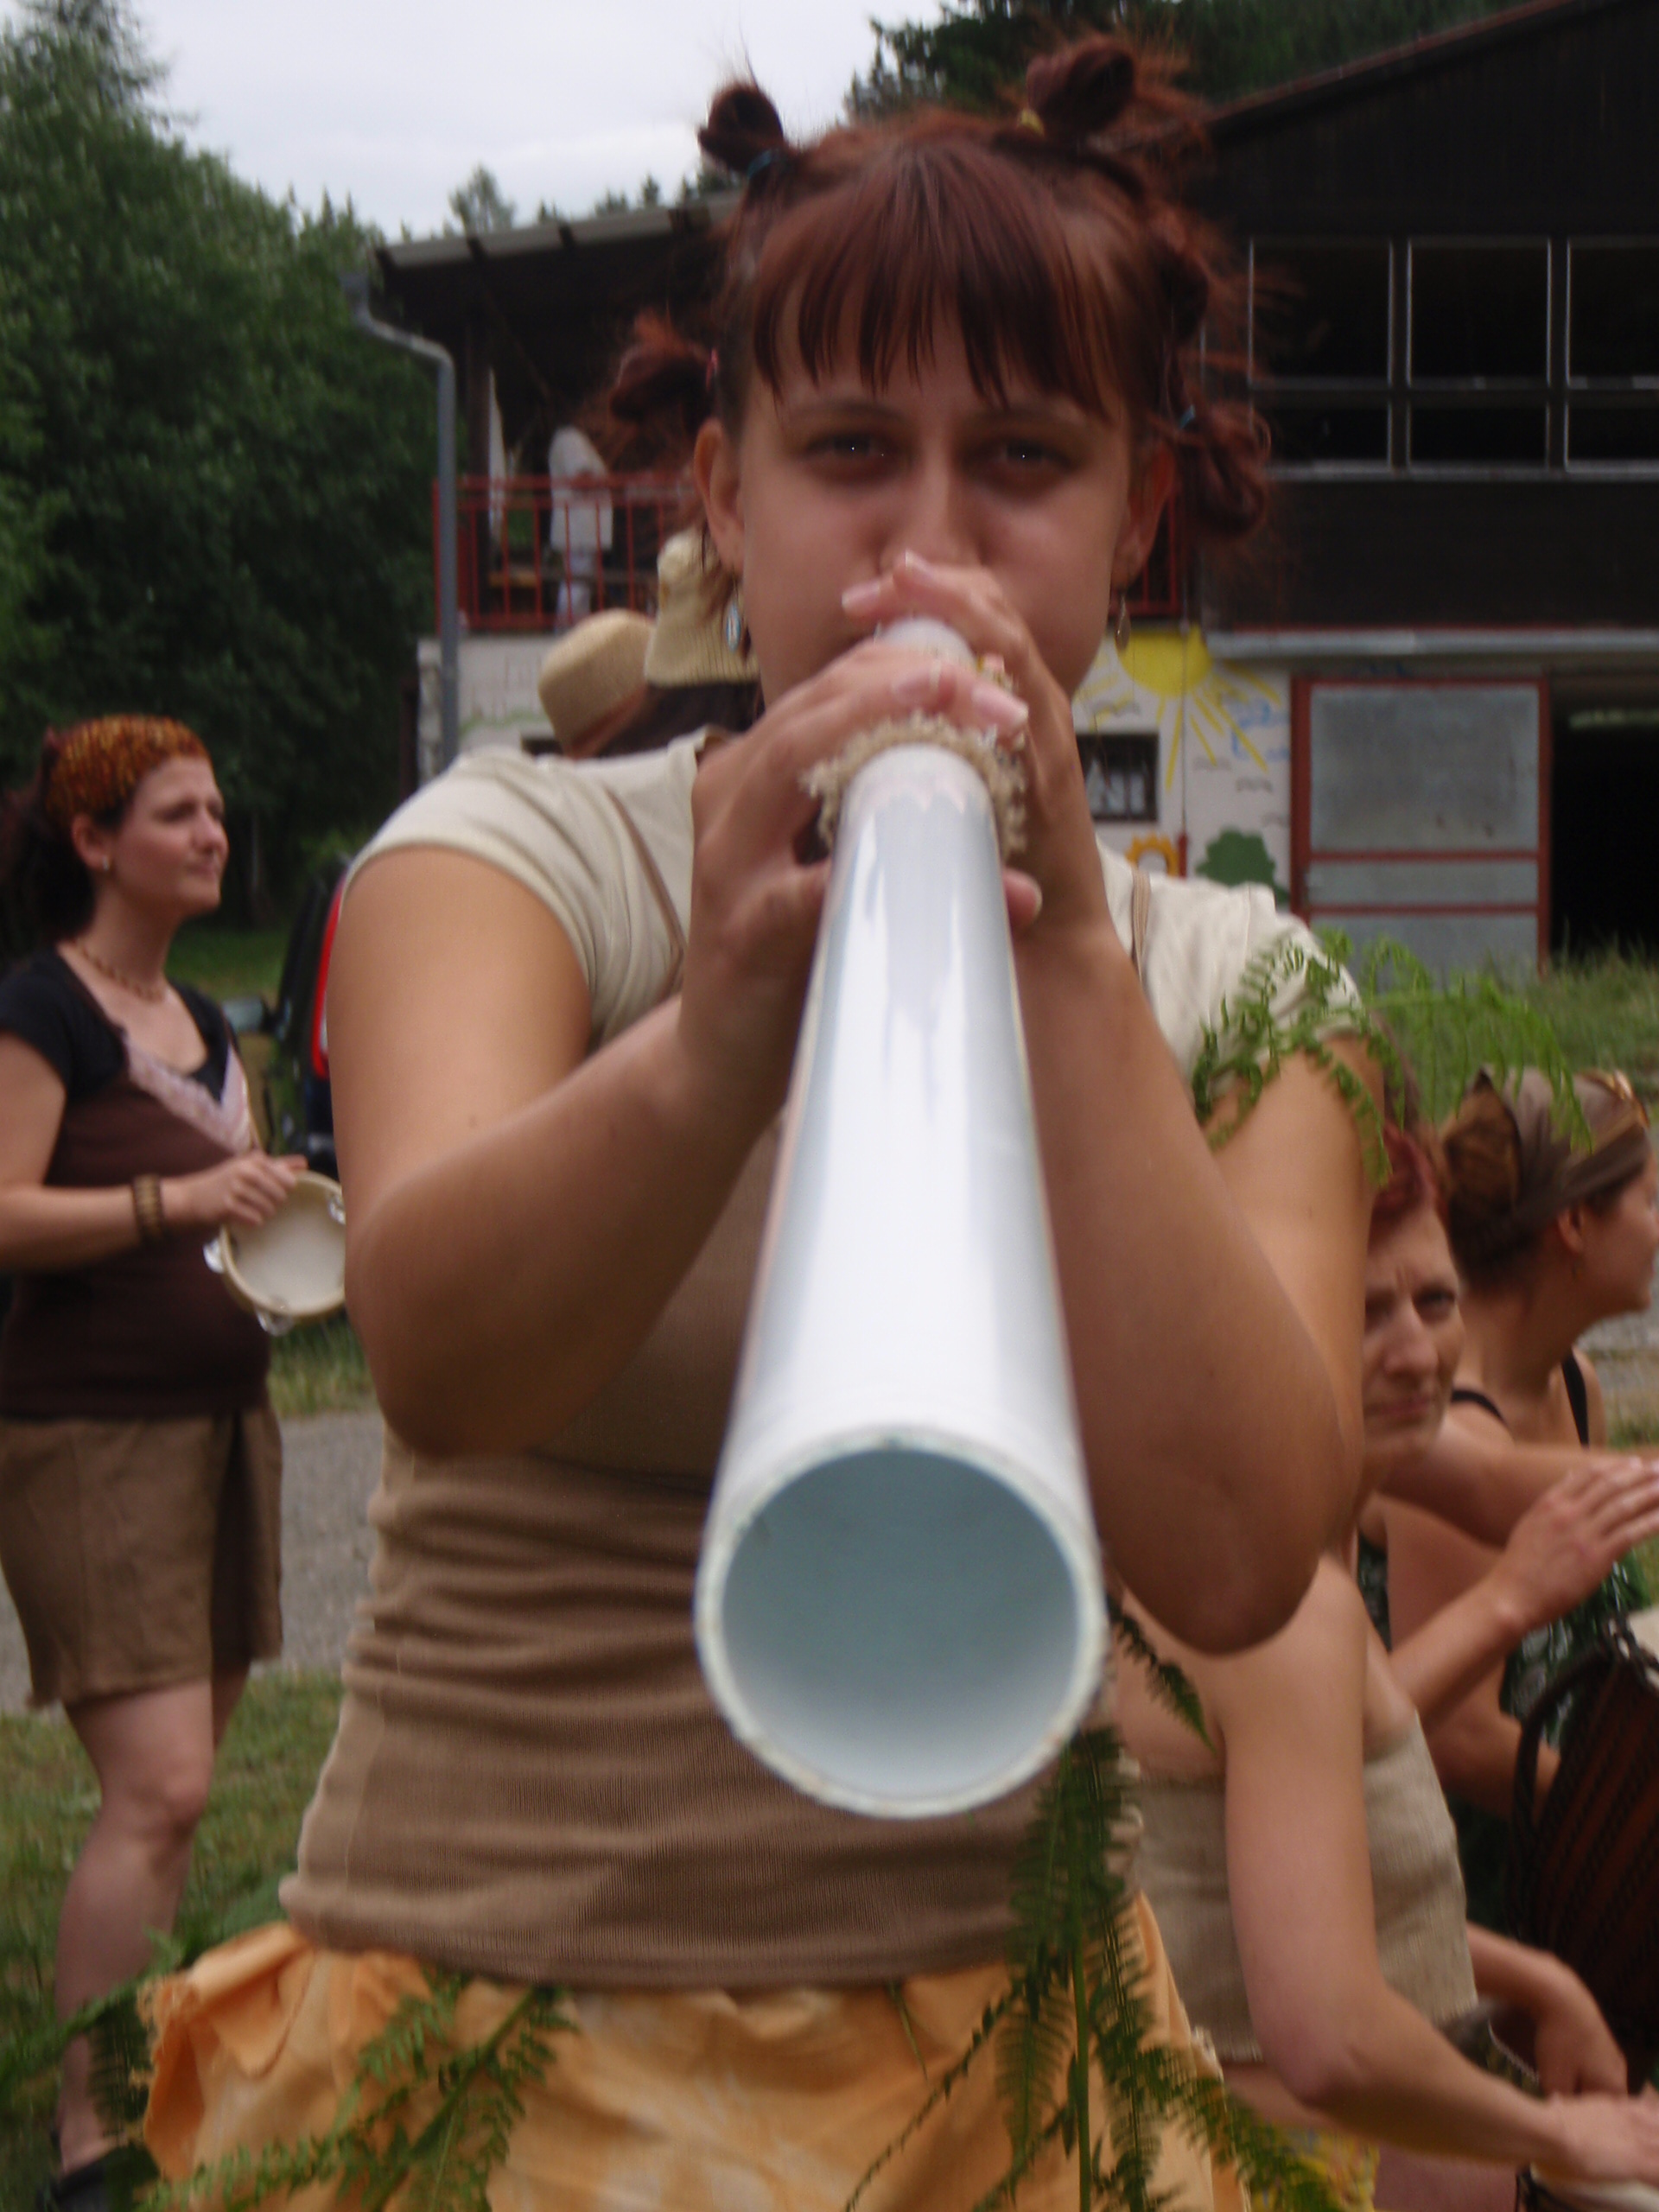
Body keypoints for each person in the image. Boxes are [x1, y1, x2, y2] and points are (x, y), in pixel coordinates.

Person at [143, 42, 1382, 2210]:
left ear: (1136, 515)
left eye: (1023, 457)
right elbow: (439, 1348)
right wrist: (722, 1020)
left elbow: (1240, 1545)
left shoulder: (1238, 989)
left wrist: (1074, 978)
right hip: (489, 2035)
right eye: (848, 452)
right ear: (722, 493)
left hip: (1004, 2068)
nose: (929, 538)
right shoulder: (514, 860)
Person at [1119, 1122, 1659, 2212]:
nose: (1415, 1351)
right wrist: (1557, 2131)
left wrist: (1538, 1978)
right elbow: (1327, 2044)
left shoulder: (1275, 1552)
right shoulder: (1265, 1603)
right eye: (1364, 1311)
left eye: (1435, 1300)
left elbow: (1278, 1921)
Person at [0, 716, 304, 2212]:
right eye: (180, 813)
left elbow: (225, 1211)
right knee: (161, 1785)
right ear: (93, 840)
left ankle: (146, 2083)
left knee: (178, 1798)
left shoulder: (202, 1018)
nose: (213, 834)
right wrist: (172, 1202)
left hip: (225, 1425)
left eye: (218, 809)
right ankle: (91, 2140)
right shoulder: (42, 1008)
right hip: (87, 1434)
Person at [1378, 1068, 1659, 1923]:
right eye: (1650, 1200)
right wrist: (1629, 1825)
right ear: (1573, 1224)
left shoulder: (1573, 1382)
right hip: (1496, 1878)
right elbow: (1458, 1742)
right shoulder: (1445, 1418)